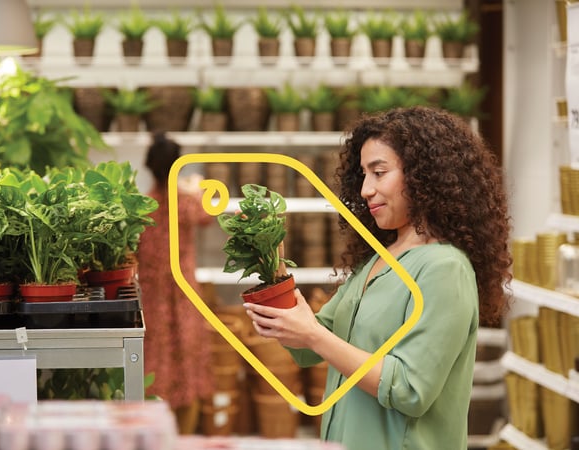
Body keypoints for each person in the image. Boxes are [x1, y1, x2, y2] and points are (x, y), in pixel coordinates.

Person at [244, 106, 512, 450]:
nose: (366, 189)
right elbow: (309, 347)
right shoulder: (378, 260)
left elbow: (410, 390)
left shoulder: (445, 269)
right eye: (363, 175)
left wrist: (312, 336)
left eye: (379, 172)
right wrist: (272, 272)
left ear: (423, 175)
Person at [138, 132, 214, 434]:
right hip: (183, 295)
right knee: (188, 363)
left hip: (152, 297)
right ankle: (182, 438)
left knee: (154, 364)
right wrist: (195, 187)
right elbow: (209, 213)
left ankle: (153, 434)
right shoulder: (185, 203)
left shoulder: (143, 206)